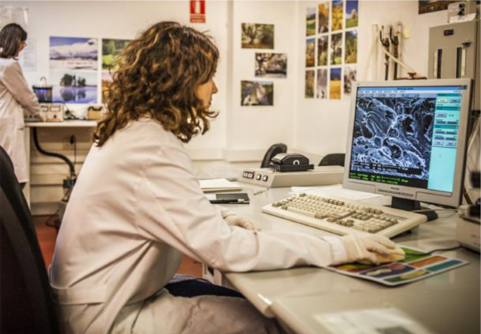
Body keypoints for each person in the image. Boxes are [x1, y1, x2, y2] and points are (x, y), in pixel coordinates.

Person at [49, 21, 397, 334]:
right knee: (281, 322)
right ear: (181, 81)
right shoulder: (150, 148)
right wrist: (339, 247)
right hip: (110, 318)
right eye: (208, 76)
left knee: (238, 299)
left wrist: (219, 217)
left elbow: (149, 209)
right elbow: (224, 251)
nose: (214, 88)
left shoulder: (130, 132)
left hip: (100, 297)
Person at [0, 23, 44, 188]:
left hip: (2, 120)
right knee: (15, 179)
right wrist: (43, 115)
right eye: (22, 42)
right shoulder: (8, 65)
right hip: (7, 123)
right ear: (15, 41)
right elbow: (25, 95)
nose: (23, 46)